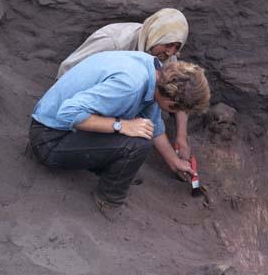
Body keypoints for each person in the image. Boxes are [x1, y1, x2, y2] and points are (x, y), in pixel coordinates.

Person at [30, 50, 210, 220]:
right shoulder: (130, 86)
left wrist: (175, 161)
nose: (177, 112)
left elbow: (153, 125)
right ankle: (109, 200)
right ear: (170, 100)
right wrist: (121, 125)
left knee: (140, 130)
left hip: (58, 126)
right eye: (177, 109)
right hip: (49, 140)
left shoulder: (153, 73)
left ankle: (110, 170)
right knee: (137, 143)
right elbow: (68, 113)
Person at [56, 8, 192, 159]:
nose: (170, 52)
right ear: (156, 33)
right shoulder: (112, 42)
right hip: (79, 105)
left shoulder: (166, 59)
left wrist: (181, 137)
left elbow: (180, 94)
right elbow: (67, 70)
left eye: (176, 48)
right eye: (168, 44)